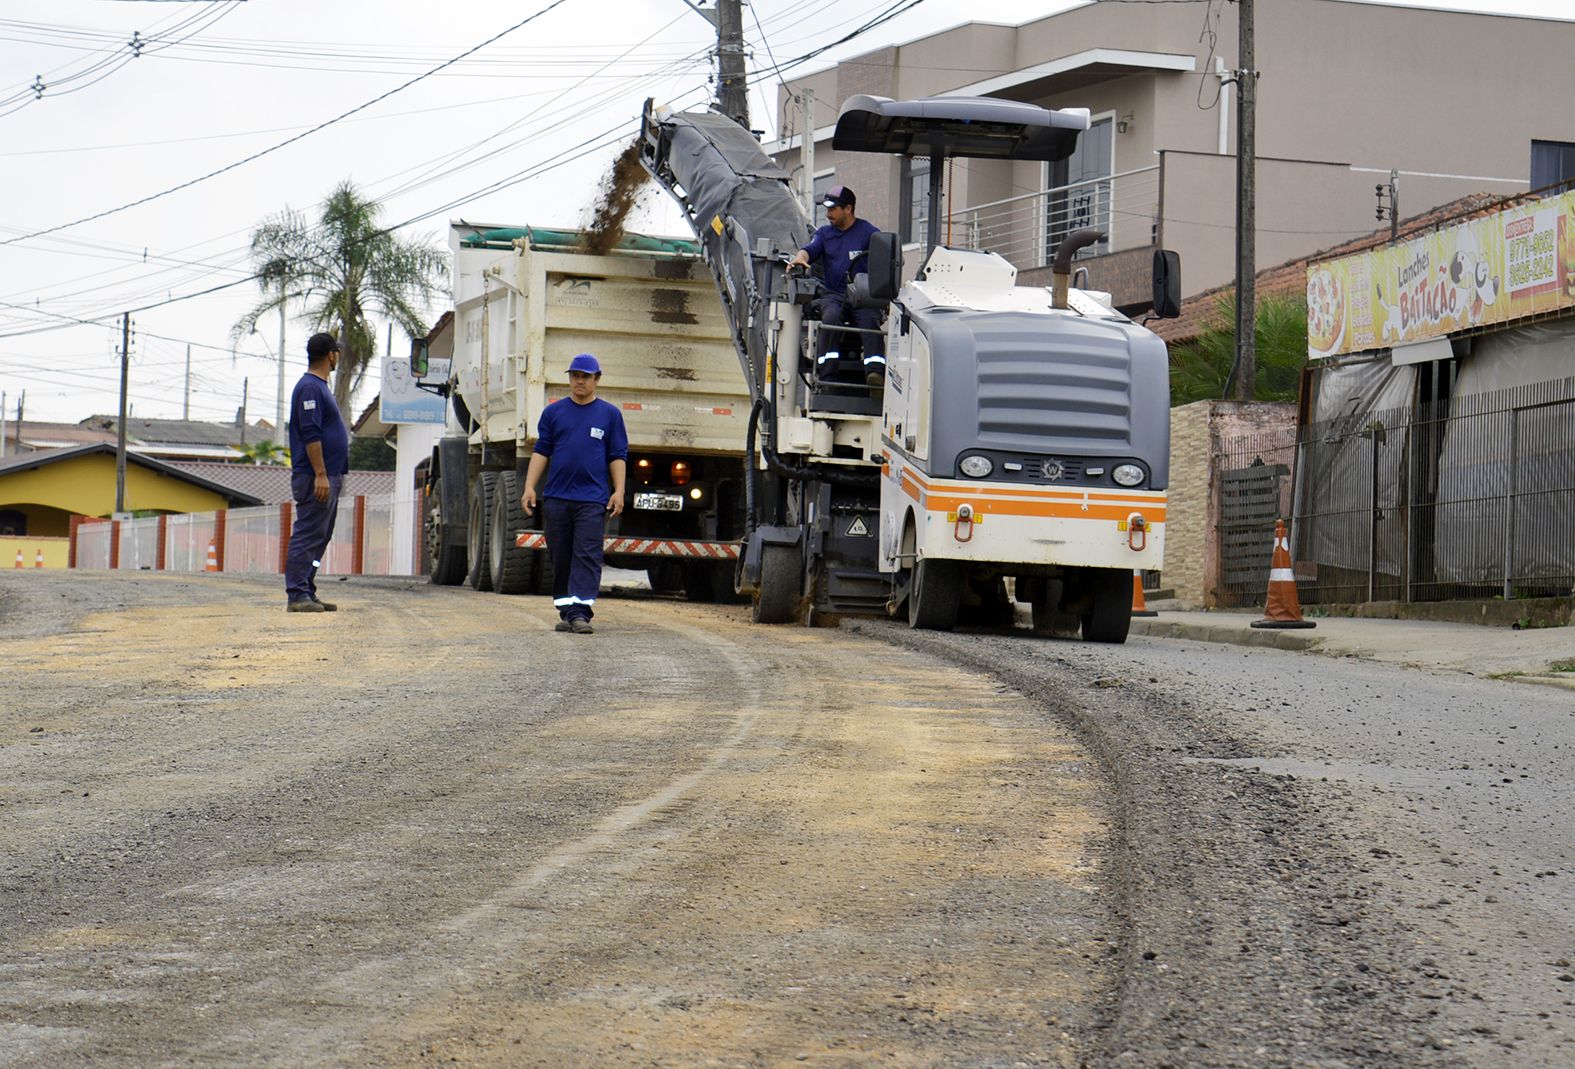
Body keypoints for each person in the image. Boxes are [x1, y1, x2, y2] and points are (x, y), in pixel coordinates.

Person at [521, 353, 628, 635]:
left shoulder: (609, 415)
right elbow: (542, 451)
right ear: (569, 378)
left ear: (597, 379)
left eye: (585, 376)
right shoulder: (554, 413)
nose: (579, 381)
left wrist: (619, 491)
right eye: (575, 375)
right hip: (557, 498)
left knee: (587, 555)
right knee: (561, 555)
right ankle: (567, 610)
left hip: (592, 499)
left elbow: (617, 455)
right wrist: (529, 486)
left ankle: (581, 612)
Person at [789, 184, 886, 387]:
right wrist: (800, 257)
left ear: (848, 209)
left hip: (863, 296)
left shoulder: (869, 233)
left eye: (832, 209)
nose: (828, 214)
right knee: (831, 318)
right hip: (834, 295)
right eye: (827, 209)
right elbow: (810, 250)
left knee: (870, 321)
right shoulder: (825, 234)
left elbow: (888, 259)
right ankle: (827, 375)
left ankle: (875, 374)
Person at [284, 332, 350, 613]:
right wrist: (321, 474)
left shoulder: (320, 387)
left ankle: (307, 589)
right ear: (331, 355)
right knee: (308, 534)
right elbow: (311, 434)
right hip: (315, 478)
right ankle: (297, 594)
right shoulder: (311, 388)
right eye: (337, 352)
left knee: (320, 537)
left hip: (328, 476)